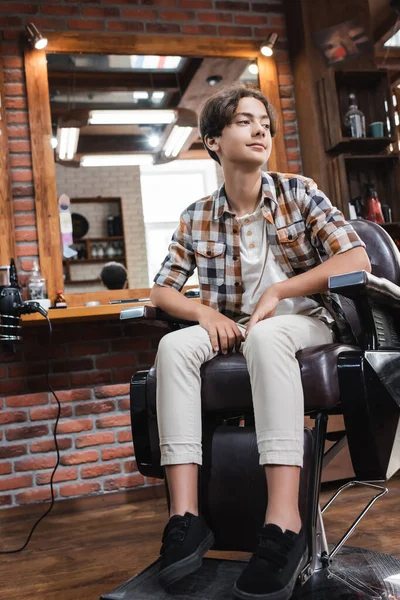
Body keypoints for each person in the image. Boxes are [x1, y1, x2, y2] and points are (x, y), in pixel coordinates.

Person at [150, 82, 371, 599]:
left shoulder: (300, 191)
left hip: (307, 322)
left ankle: (283, 521)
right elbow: (162, 290)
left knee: (268, 336)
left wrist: (280, 288)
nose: (260, 130)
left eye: (265, 123)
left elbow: (355, 258)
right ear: (211, 141)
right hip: (240, 328)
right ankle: (185, 519)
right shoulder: (197, 215)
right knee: (173, 348)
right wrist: (203, 313)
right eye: (245, 121)